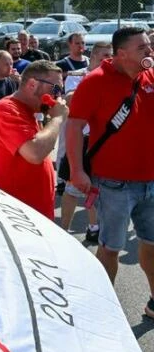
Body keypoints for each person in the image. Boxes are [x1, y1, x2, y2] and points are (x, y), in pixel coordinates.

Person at [65, 26, 154, 318]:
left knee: (151, 243)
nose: (149, 52)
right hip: (113, 183)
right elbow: (75, 126)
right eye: (143, 48)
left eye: (149, 46)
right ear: (122, 53)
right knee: (110, 248)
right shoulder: (95, 82)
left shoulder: (150, 76)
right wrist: (77, 171)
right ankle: (102, 310)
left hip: (150, 181)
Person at [0, 60, 68, 221]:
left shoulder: (28, 111)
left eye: (60, 90)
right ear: (32, 84)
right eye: (55, 89)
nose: (58, 96)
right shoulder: (5, 109)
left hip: (28, 215)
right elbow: (34, 153)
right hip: (14, 218)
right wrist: (57, 118)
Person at [56, 42, 112, 239]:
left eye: (110, 55)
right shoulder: (77, 75)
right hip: (80, 140)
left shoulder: (113, 77)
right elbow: (69, 100)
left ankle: (94, 227)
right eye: (105, 55)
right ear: (95, 55)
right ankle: (63, 230)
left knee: (95, 188)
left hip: (101, 141)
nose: (109, 59)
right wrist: (90, 81)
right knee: (72, 189)